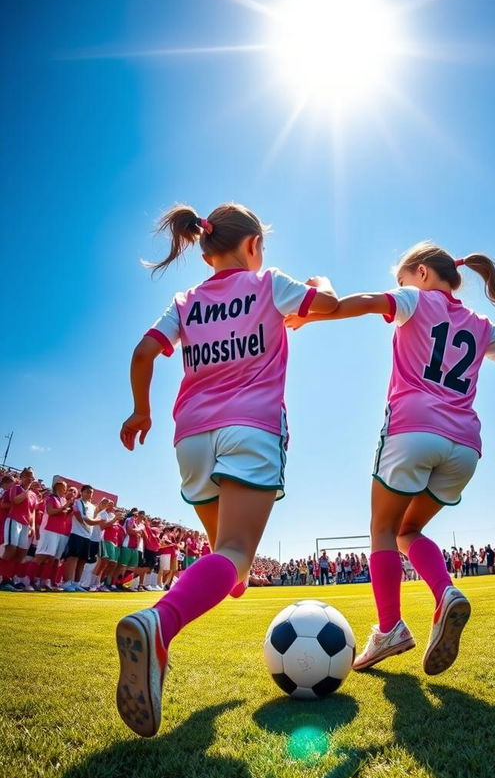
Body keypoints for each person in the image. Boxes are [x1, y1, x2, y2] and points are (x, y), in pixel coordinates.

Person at [287, 241, 495, 675]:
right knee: (408, 530)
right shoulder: (481, 325)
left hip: (412, 431)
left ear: (424, 273)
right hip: (465, 446)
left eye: (403, 277)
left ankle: (390, 627)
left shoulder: (415, 299)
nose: (401, 286)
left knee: (382, 528)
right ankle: (445, 593)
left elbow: (363, 304)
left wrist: (313, 311)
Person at [114, 201, 337, 737]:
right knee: (236, 556)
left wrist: (141, 409)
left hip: (190, 436)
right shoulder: (268, 283)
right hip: (251, 427)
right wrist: (320, 281)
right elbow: (326, 304)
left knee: (226, 558)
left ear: (204, 247)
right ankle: (159, 623)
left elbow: (145, 351)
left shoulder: (186, 301)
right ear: (254, 246)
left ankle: (222, 583)